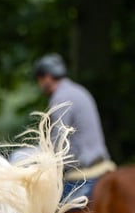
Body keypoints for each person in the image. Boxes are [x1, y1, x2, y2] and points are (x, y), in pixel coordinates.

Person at [32, 53, 116, 199]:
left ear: (47, 77)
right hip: (103, 163)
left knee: (47, 212)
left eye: (39, 80)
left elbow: (58, 143)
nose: (39, 85)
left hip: (83, 172)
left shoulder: (60, 98)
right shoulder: (79, 91)